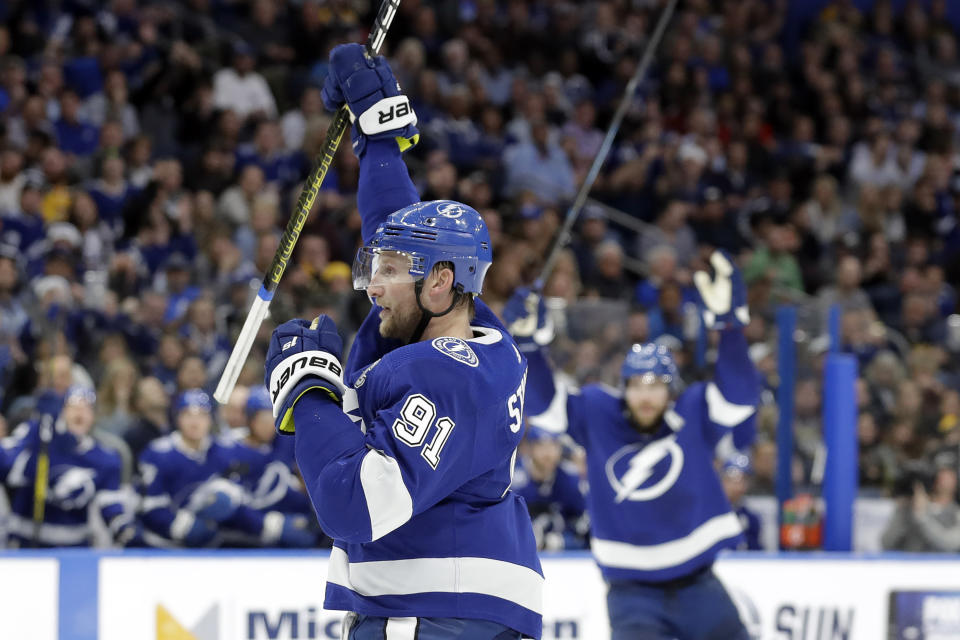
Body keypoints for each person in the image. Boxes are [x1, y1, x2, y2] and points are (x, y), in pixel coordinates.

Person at [263, 44, 542, 639]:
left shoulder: (446, 377)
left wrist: (307, 395)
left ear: (441, 281)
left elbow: (355, 506)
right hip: (464, 610)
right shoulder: (476, 338)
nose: (374, 287)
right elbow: (397, 224)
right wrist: (378, 136)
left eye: (389, 272)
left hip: (432, 613)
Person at [507, 250, 759, 640]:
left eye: (656, 385)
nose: (646, 395)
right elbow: (545, 410)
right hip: (631, 594)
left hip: (699, 584)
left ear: (671, 391)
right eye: (637, 385)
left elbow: (740, 397)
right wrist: (531, 349)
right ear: (623, 388)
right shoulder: (597, 412)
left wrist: (729, 328)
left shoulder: (691, 413)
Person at [137, 389, 311, 548]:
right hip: (161, 544)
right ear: (177, 418)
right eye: (188, 415)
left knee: (223, 499)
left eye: (201, 415)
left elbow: (238, 502)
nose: (195, 422)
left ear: (211, 419)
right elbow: (150, 507)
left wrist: (268, 525)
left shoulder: (225, 451)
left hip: (211, 541)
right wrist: (182, 526)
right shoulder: (158, 453)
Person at [0, 387, 136, 547]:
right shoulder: (37, 434)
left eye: (86, 408)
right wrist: (39, 434)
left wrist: (122, 527)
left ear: (94, 416)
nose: (80, 412)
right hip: (27, 545)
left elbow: (110, 502)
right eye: (74, 407)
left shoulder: (105, 458)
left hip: (74, 549)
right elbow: (6, 464)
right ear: (63, 412)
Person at [512, 425, 588, 551]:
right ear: (529, 448)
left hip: (559, 556)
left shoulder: (570, 480)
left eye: (553, 445)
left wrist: (562, 541)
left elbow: (584, 524)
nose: (548, 453)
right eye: (541, 445)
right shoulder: (513, 478)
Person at [720, 454, 762, 551]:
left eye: (744, 480)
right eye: (732, 480)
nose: (738, 486)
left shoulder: (751, 518)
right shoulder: (710, 514)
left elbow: (755, 551)